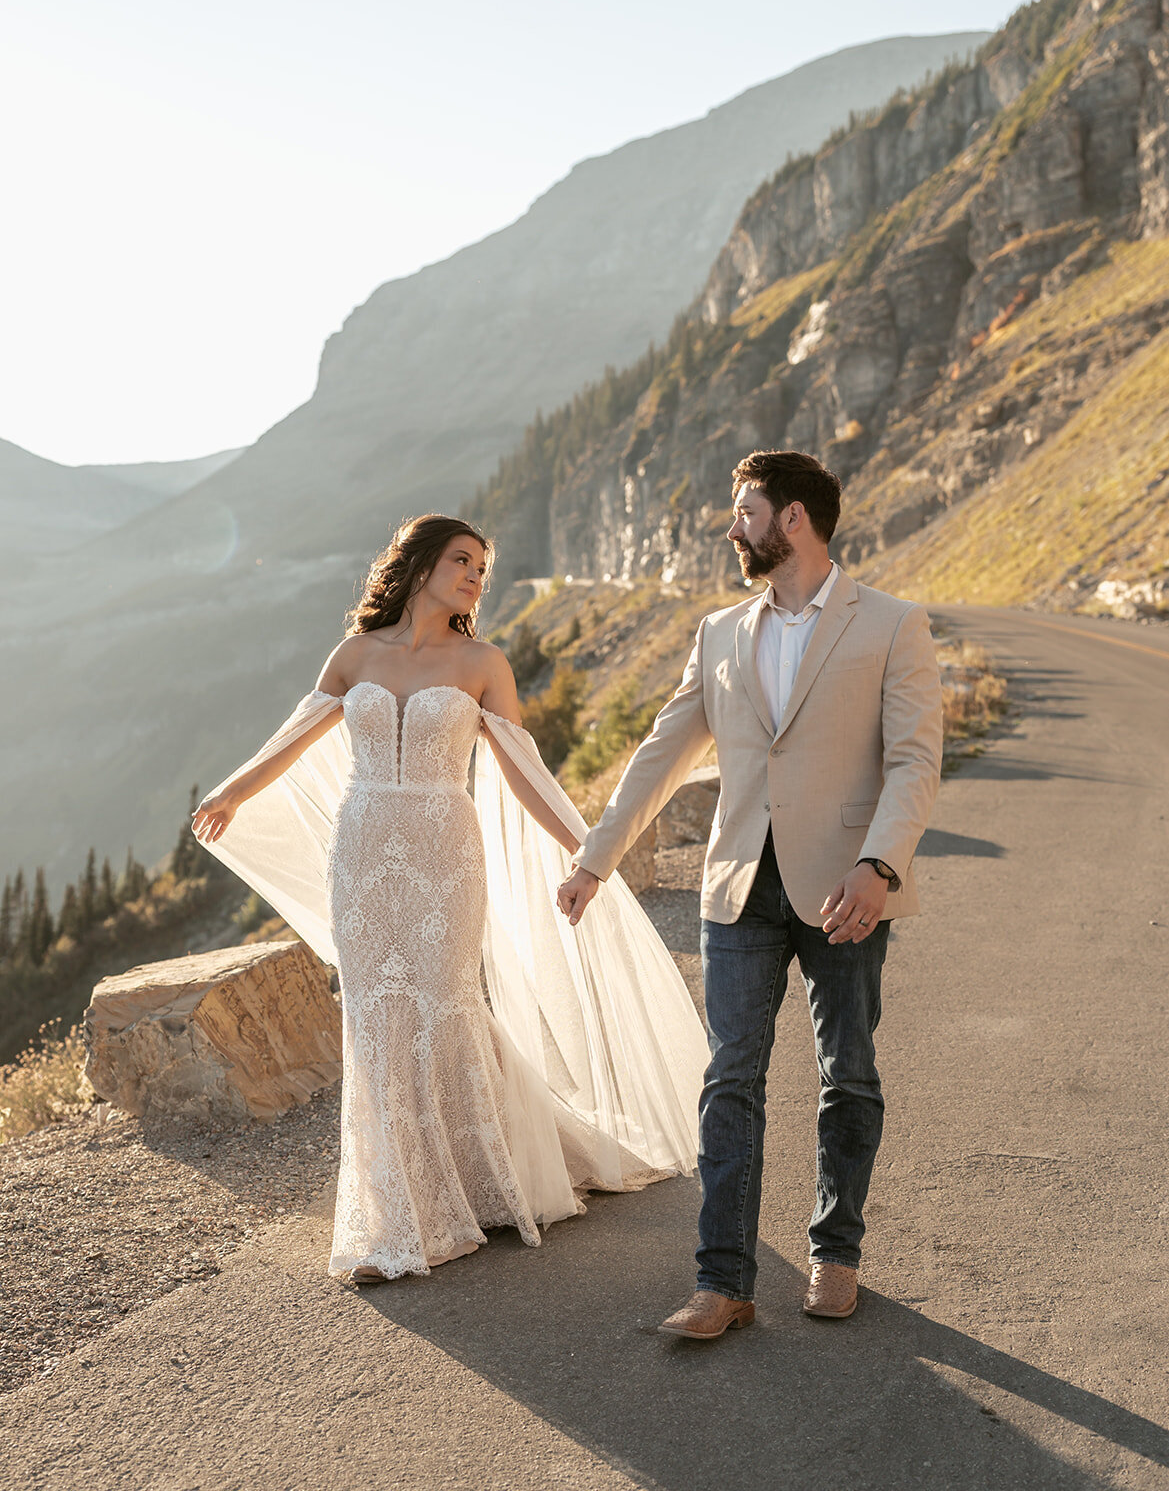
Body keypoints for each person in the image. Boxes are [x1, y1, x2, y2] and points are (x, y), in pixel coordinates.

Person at [193, 514, 707, 1286]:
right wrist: (231, 793)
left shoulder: (482, 662)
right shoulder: (355, 653)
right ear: (420, 565)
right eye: (461, 561)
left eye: (481, 568)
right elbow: (291, 737)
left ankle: (470, 1188)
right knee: (375, 1017)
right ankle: (400, 1214)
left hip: (443, 851)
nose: (474, 577)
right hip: (362, 852)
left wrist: (590, 856)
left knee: (443, 1005)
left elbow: (524, 771)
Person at [557, 451, 943, 1336]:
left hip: (849, 889)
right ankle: (722, 1280)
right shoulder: (719, 632)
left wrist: (879, 867)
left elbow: (915, 760)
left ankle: (834, 1253)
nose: (731, 528)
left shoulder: (889, 624)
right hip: (737, 885)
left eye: (744, 513)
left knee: (847, 1074)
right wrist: (594, 860)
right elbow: (660, 753)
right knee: (730, 1078)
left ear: (793, 519)